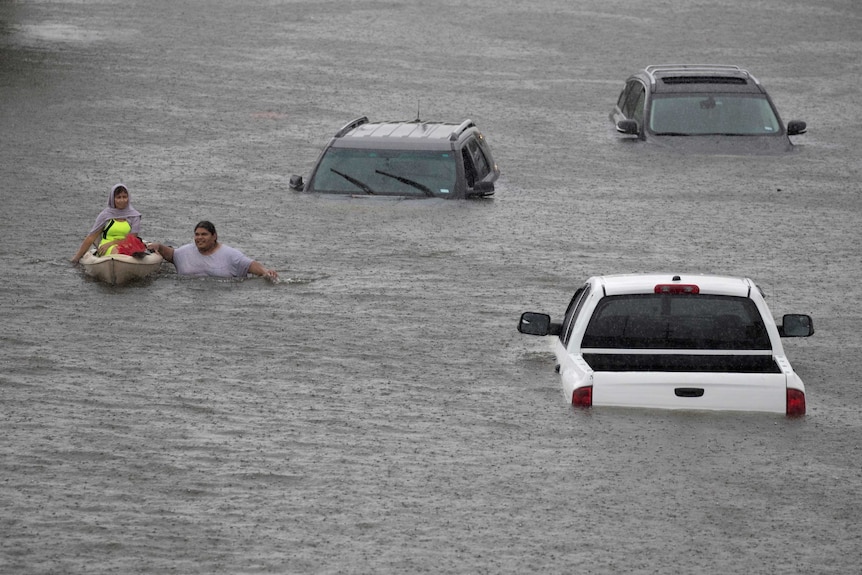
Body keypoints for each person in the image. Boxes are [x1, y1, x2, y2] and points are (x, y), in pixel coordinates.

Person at [147, 221, 278, 280]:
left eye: (204, 234)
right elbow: (170, 254)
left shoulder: (230, 255)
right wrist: (157, 246)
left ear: (214, 236)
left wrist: (266, 272)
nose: (199, 238)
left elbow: (250, 264)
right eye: (197, 235)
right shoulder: (184, 252)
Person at [72, 183, 142, 263]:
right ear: (113, 199)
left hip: (126, 245)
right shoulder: (105, 215)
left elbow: (132, 239)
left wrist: (113, 243)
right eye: (118, 197)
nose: (122, 200)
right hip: (106, 246)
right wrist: (77, 257)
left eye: (124, 197)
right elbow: (91, 237)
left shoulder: (134, 216)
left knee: (122, 250)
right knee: (116, 250)